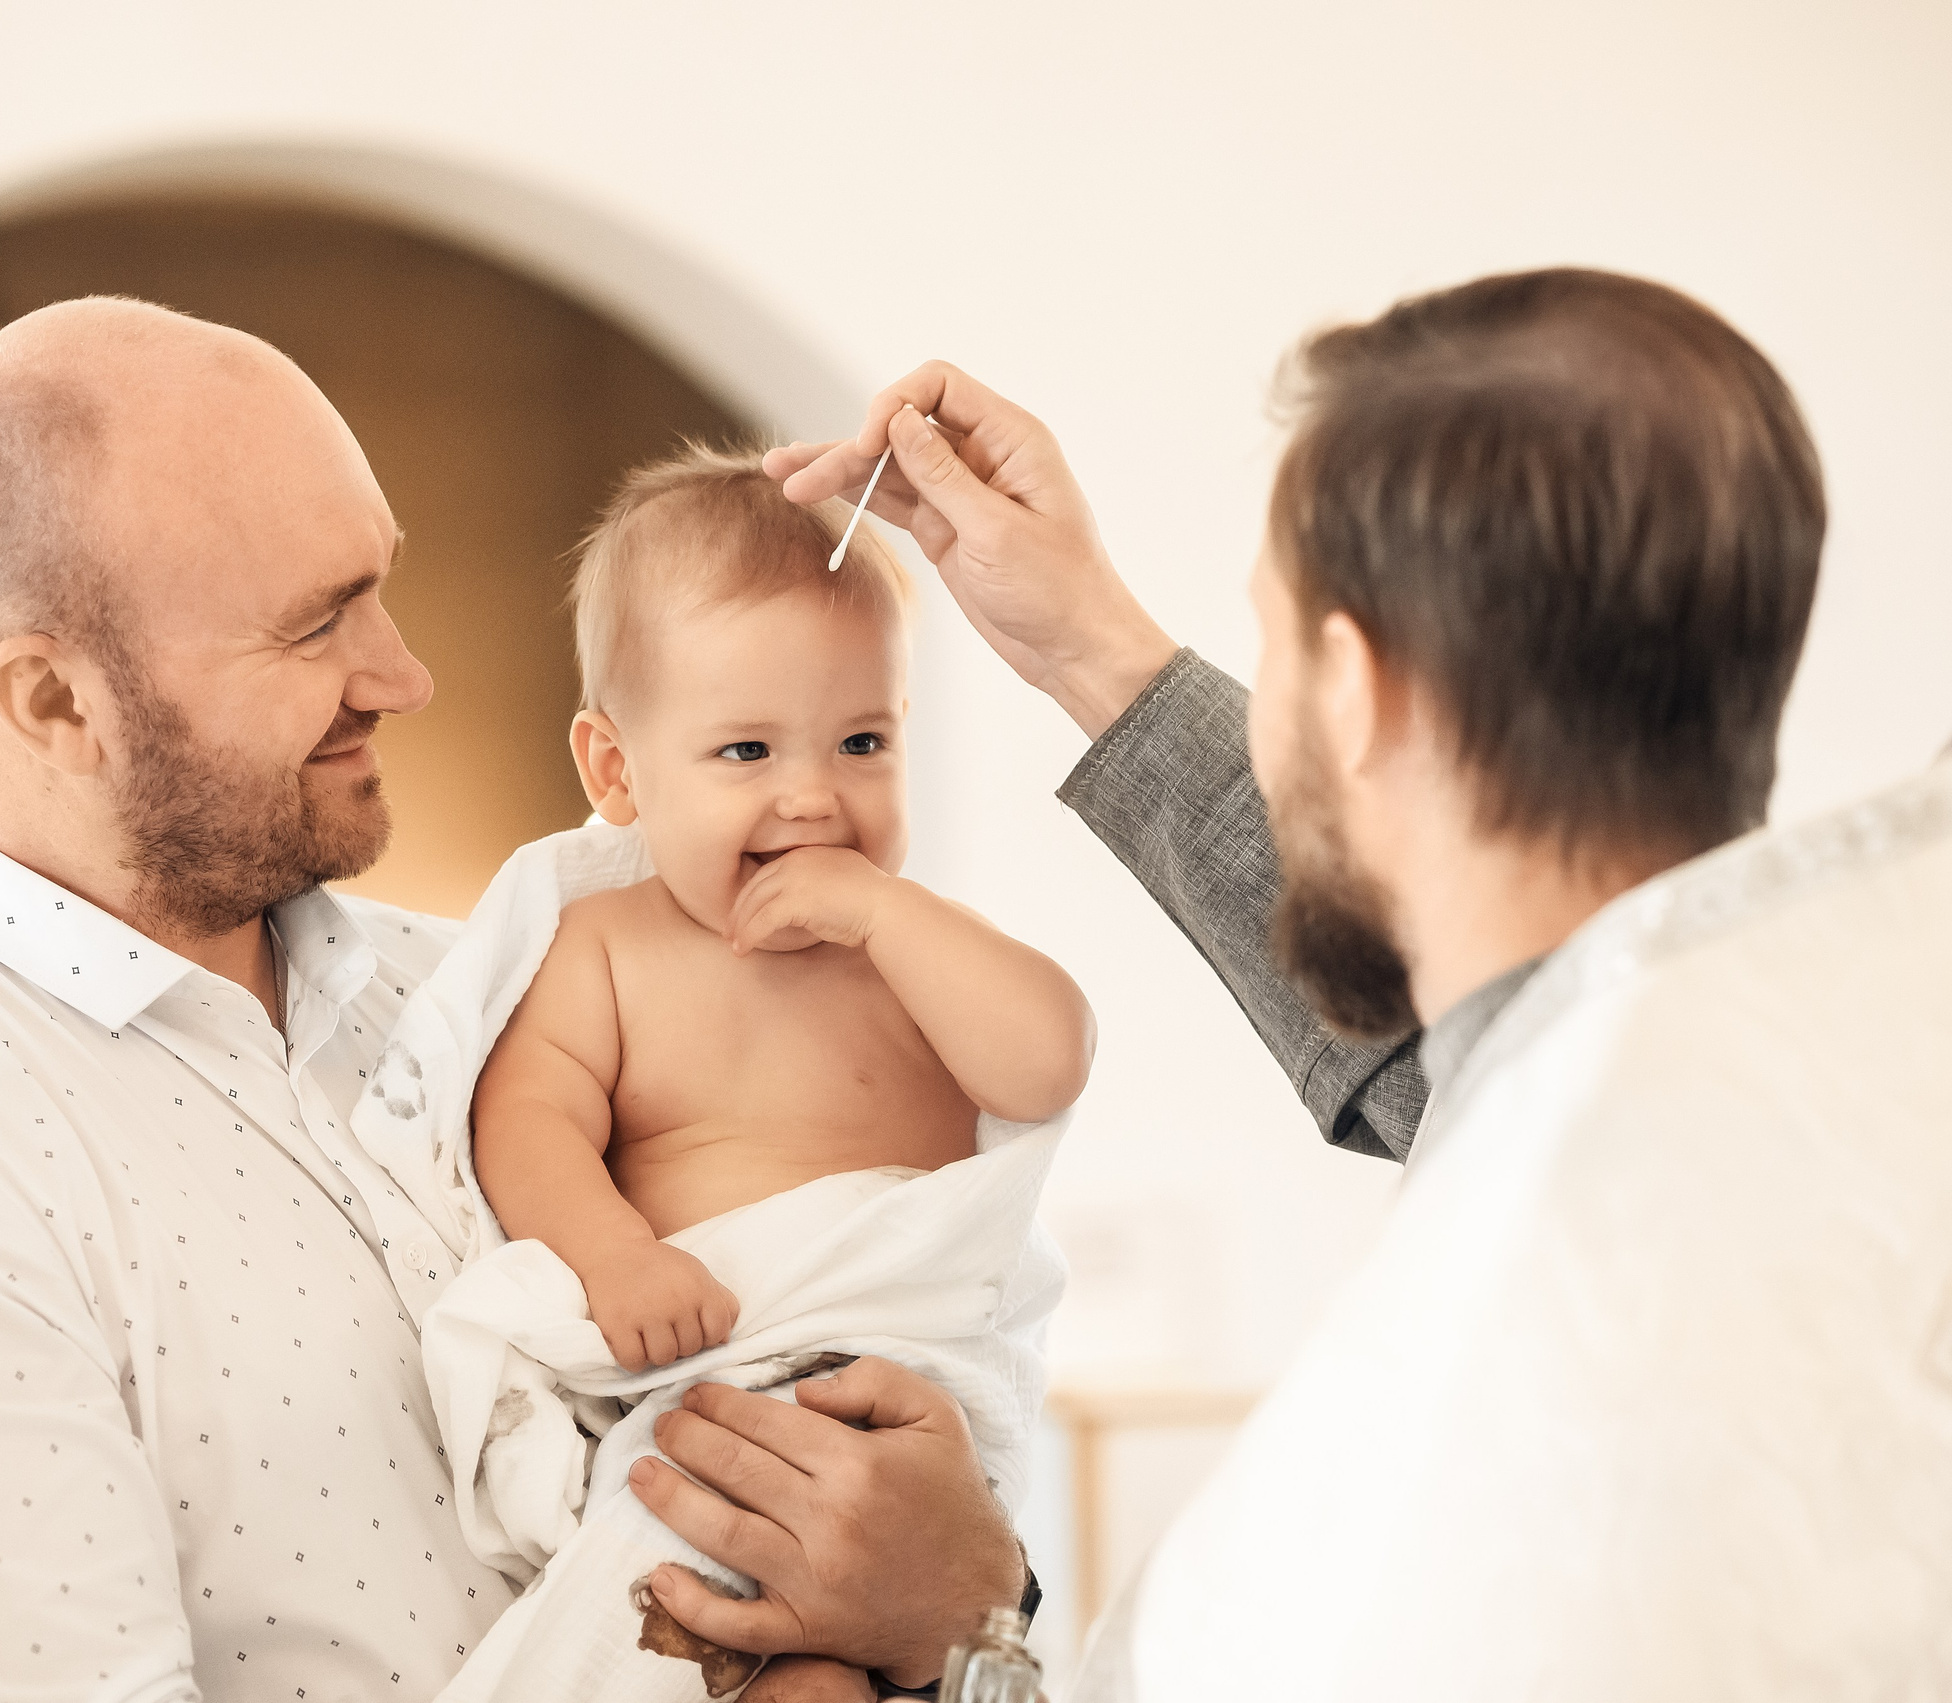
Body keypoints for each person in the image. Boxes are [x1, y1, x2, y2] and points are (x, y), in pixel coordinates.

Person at [0, 298, 1045, 1703]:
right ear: (55, 703)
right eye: (315, 623)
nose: (404, 674)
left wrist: (971, 1600)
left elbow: (884, 1522)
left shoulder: (486, 986)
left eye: (379, 587)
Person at [624, 270, 1944, 1692]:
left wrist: (972, 1629)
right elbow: (1475, 1062)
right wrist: (1084, 642)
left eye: (1268, 642)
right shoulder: (1844, 1073)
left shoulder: (1435, 1423)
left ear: (1355, 690)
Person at [399, 446, 1090, 1701]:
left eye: (861, 740)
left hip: (899, 1402)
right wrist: (615, 1255)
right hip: (714, 1391)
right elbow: (527, 1117)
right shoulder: (605, 948)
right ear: (615, 770)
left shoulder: (912, 948)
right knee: (728, 1645)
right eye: (746, 751)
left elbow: (1047, 1062)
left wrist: (886, 916)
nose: (812, 797)